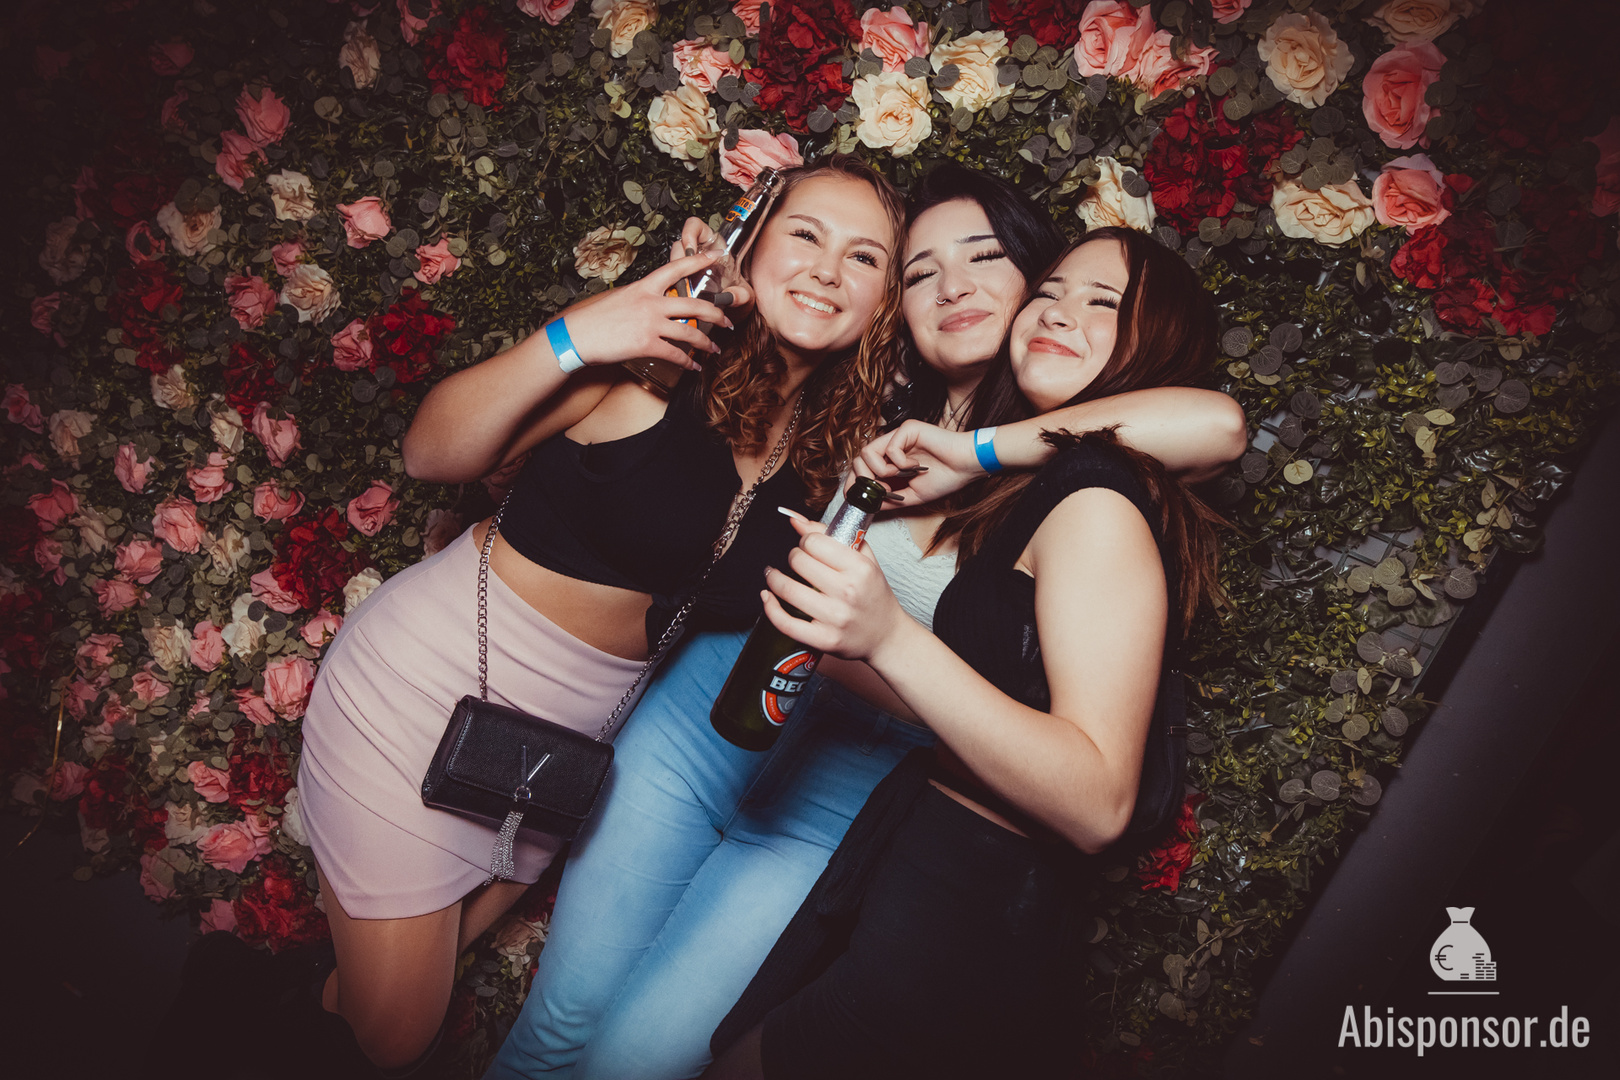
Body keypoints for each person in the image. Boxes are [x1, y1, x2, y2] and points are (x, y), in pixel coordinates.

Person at [487, 169, 1245, 1079]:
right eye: (919, 272)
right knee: (556, 1026)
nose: (952, 287)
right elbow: (754, 333)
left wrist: (973, 454)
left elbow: (1217, 424)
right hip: (695, 734)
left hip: (832, 803)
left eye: (984, 259)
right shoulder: (862, 399)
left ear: (1030, 287)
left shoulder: (1060, 468)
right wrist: (720, 269)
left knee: (636, 1061)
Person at [282, 154, 907, 1074]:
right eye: (805, 234)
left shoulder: (828, 461)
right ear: (752, 245)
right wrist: (580, 333)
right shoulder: (652, 353)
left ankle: (251, 1023)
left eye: (865, 257)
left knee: (400, 979)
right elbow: (430, 454)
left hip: (554, 752)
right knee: (399, 1029)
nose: (827, 268)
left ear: (886, 301)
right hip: (431, 681)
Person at [703, 227, 1228, 1079]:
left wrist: (890, 635)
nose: (1057, 312)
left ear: (1158, 344)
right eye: (1049, 292)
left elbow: (1099, 802)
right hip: (926, 884)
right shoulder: (1050, 489)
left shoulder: (1096, 506)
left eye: (1103, 302)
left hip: (968, 920)